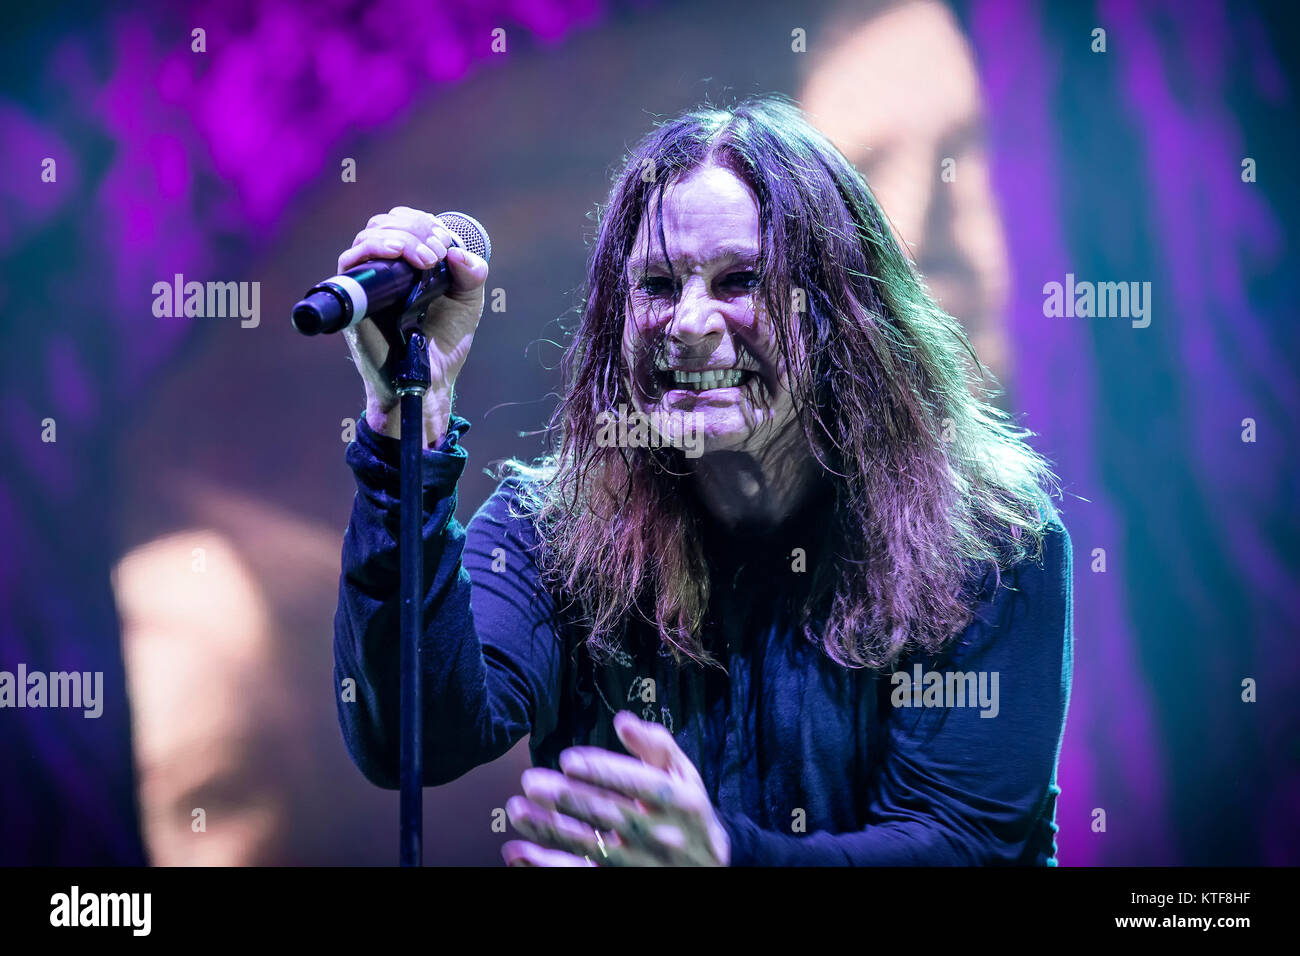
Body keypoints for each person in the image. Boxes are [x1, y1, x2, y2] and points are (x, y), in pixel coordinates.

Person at [331, 95, 1073, 867]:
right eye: (655, 285)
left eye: (740, 280)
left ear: (842, 310)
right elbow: (411, 740)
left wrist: (723, 861)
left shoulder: (988, 544)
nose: (687, 321)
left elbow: (960, 845)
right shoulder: (552, 527)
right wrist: (404, 425)